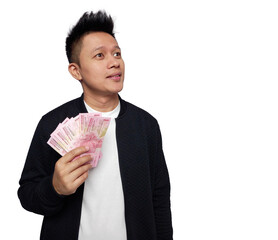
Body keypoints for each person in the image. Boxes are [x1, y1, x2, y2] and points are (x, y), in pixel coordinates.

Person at [18, 10, 173, 240]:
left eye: (117, 54)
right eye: (100, 56)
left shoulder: (146, 125)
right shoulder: (53, 123)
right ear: (76, 70)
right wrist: (55, 188)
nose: (114, 63)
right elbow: (27, 194)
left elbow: (159, 198)